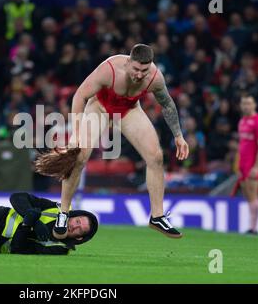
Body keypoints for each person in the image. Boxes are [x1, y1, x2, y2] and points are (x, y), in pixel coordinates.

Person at [35, 44, 189, 239]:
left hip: (128, 110)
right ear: (128, 62)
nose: (140, 75)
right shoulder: (109, 70)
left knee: (156, 157)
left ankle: (157, 216)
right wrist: (76, 133)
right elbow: (80, 96)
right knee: (79, 157)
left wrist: (178, 135)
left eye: (144, 70)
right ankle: (64, 213)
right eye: (136, 69)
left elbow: (167, 104)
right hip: (99, 108)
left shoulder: (155, 77)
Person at [235, 93, 258, 234]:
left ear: (254, 105)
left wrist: (257, 166)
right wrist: (237, 164)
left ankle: (254, 227)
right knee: (247, 194)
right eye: (244, 103)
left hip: (252, 164)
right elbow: (241, 145)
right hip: (243, 164)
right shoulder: (242, 121)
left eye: (249, 103)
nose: (246, 106)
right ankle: (251, 226)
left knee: (253, 194)